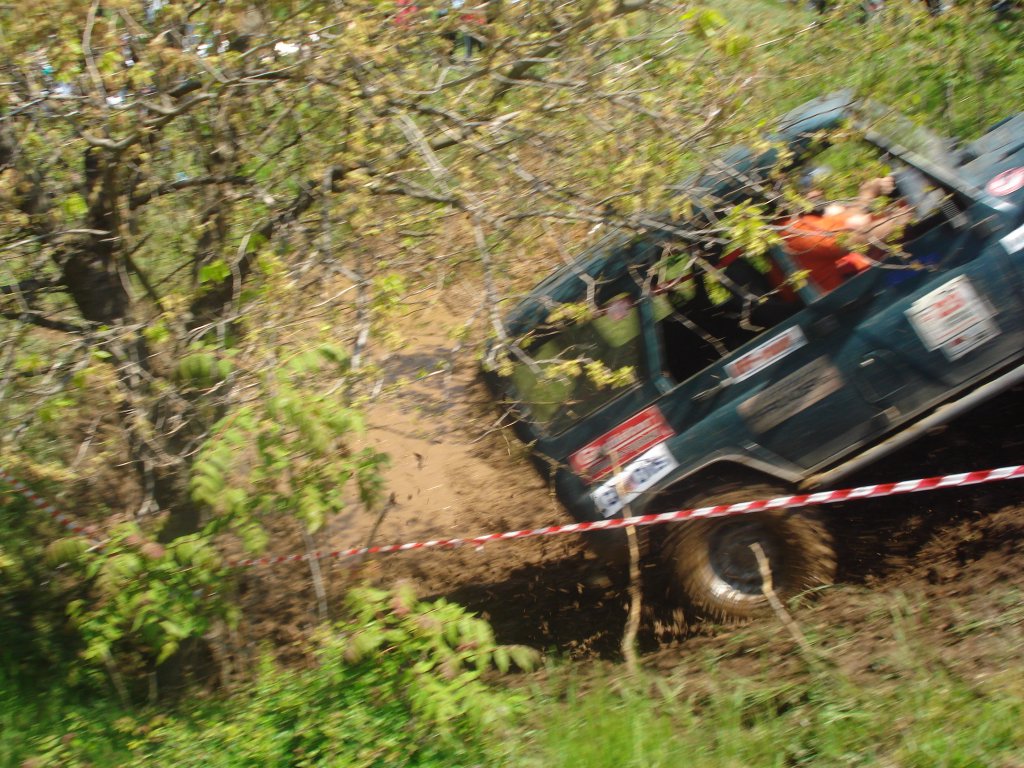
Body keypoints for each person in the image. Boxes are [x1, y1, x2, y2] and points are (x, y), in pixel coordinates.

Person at [778, 174, 912, 293]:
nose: (815, 192)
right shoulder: (789, 230)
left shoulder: (804, 220)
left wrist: (870, 193)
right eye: (800, 188)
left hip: (853, 287)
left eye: (806, 183)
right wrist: (898, 219)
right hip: (841, 306)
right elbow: (849, 240)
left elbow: (847, 222)